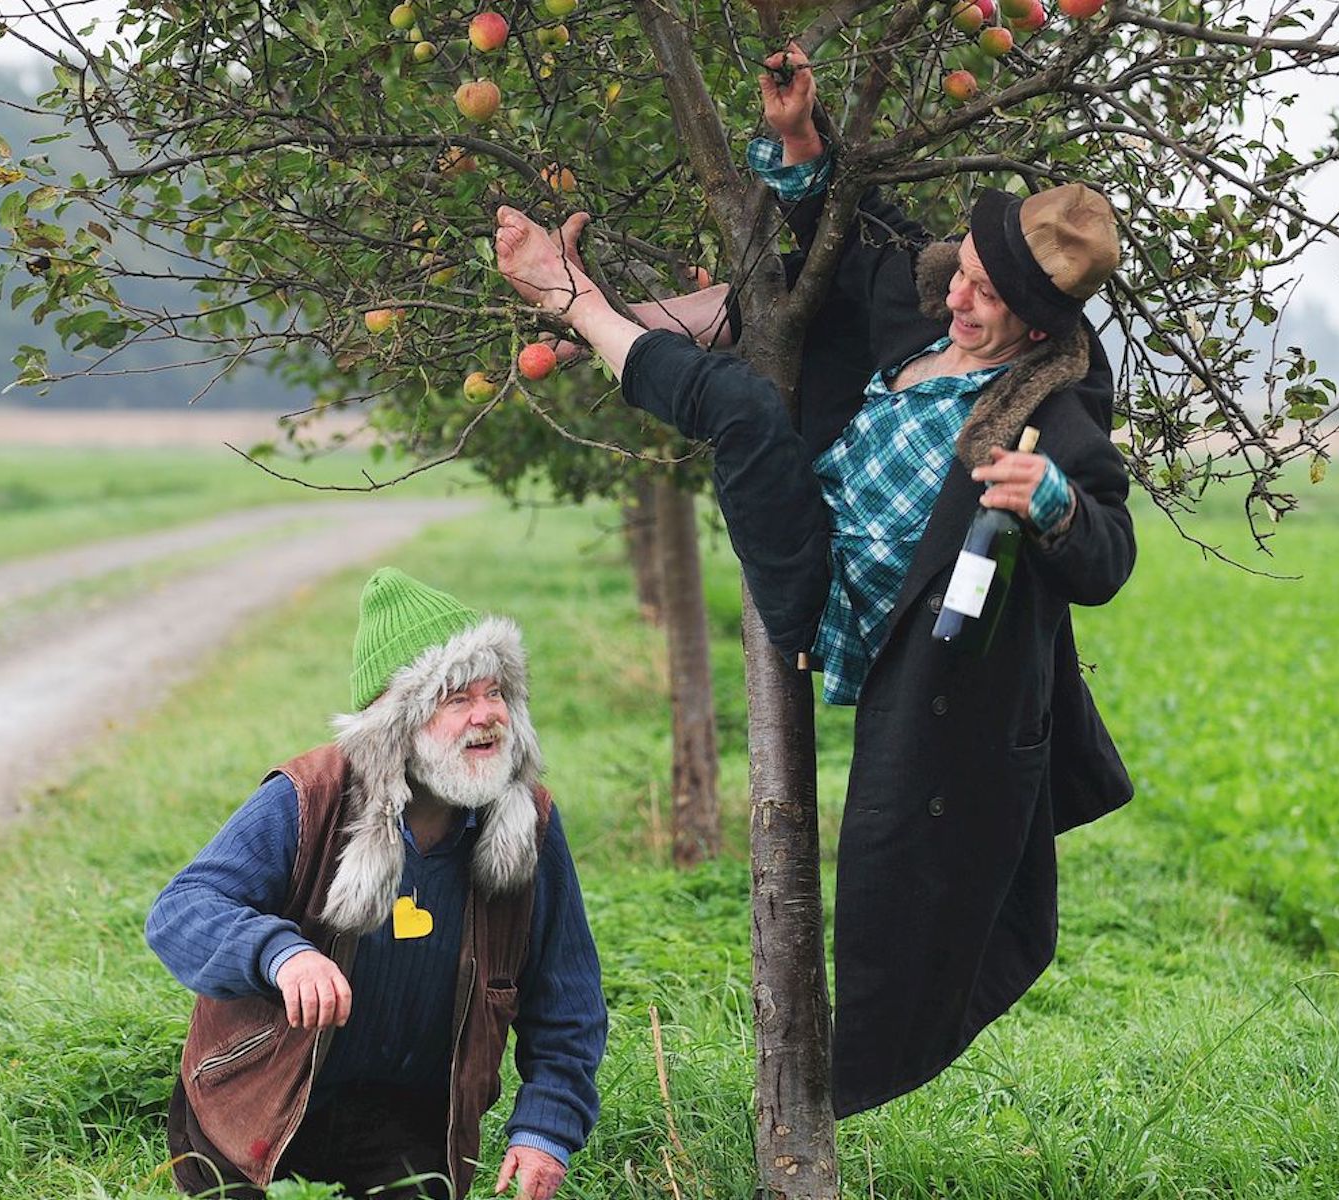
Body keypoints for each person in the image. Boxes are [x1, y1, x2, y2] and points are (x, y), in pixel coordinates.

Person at [490, 45, 1135, 1117]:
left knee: (740, 410)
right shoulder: (934, 309)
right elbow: (868, 234)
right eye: (967, 272)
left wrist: (1057, 505)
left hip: (838, 609)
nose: (961, 297)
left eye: (987, 297)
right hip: (821, 499)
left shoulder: (1052, 416)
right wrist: (800, 136)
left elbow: (1108, 555)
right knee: (796, 316)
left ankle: (580, 307)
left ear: (1040, 328)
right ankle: (587, 308)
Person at [145, 567, 606, 1199]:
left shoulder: (527, 821)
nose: (488, 717)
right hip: (254, 1119)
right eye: (457, 699)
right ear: (397, 721)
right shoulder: (309, 797)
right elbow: (181, 910)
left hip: (407, 1130)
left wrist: (545, 1131)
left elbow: (566, 995)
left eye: (496, 692)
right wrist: (281, 955)